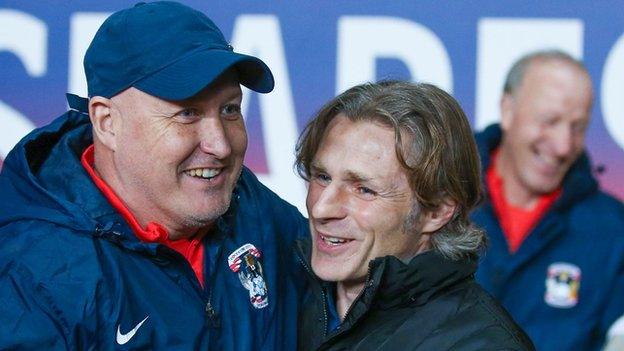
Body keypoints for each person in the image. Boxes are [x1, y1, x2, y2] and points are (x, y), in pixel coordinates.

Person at [0, 2, 308, 349]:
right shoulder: (32, 277)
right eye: (187, 113)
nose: (220, 145)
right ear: (107, 123)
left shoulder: (250, 203)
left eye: (229, 109)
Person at [294, 80, 535, 350]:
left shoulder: (483, 344)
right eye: (322, 177)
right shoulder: (284, 293)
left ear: (436, 211)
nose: (321, 208)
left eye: (364, 190)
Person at [472, 50, 624, 351]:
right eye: (549, 121)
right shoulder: (436, 200)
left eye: (577, 127)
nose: (563, 145)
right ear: (507, 110)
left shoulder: (613, 231)